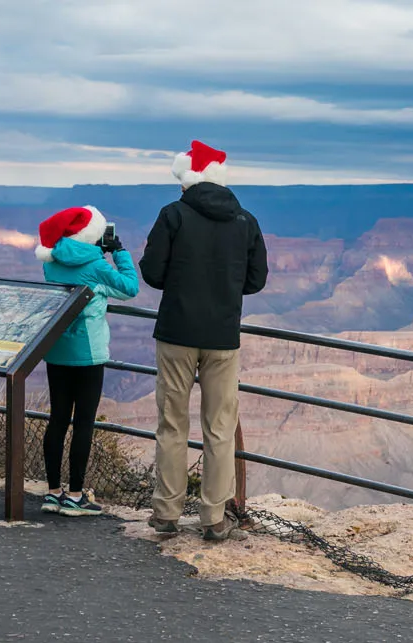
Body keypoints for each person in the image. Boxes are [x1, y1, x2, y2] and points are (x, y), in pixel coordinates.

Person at [140, 140, 269, 541]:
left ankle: (167, 513)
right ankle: (214, 517)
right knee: (219, 427)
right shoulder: (245, 220)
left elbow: (153, 273)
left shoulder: (172, 215)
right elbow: (256, 280)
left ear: (187, 180)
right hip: (222, 337)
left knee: (172, 423)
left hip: (177, 333)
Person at [35, 205, 139, 517]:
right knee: (83, 424)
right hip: (88, 354)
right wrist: (118, 252)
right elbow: (130, 288)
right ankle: (76, 496)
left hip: (56, 350)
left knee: (57, 420)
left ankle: (53, 493)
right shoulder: (96, 266)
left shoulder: (51, 263)